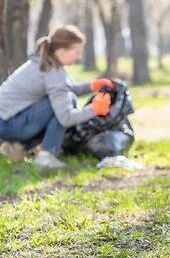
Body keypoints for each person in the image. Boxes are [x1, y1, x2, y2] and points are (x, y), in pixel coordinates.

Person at [0, 25, 113, 169]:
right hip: (9, 125)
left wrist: (91, 86)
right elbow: (65, 118)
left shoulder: (44, 61)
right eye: (76, 52)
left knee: (63, 99)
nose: (79, 56)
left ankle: (16, 148)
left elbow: (65, 88)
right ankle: (46, 157)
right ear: (62, 51)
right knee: (65, 102)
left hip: (6, 122)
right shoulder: (51, 71)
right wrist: (95, 110)